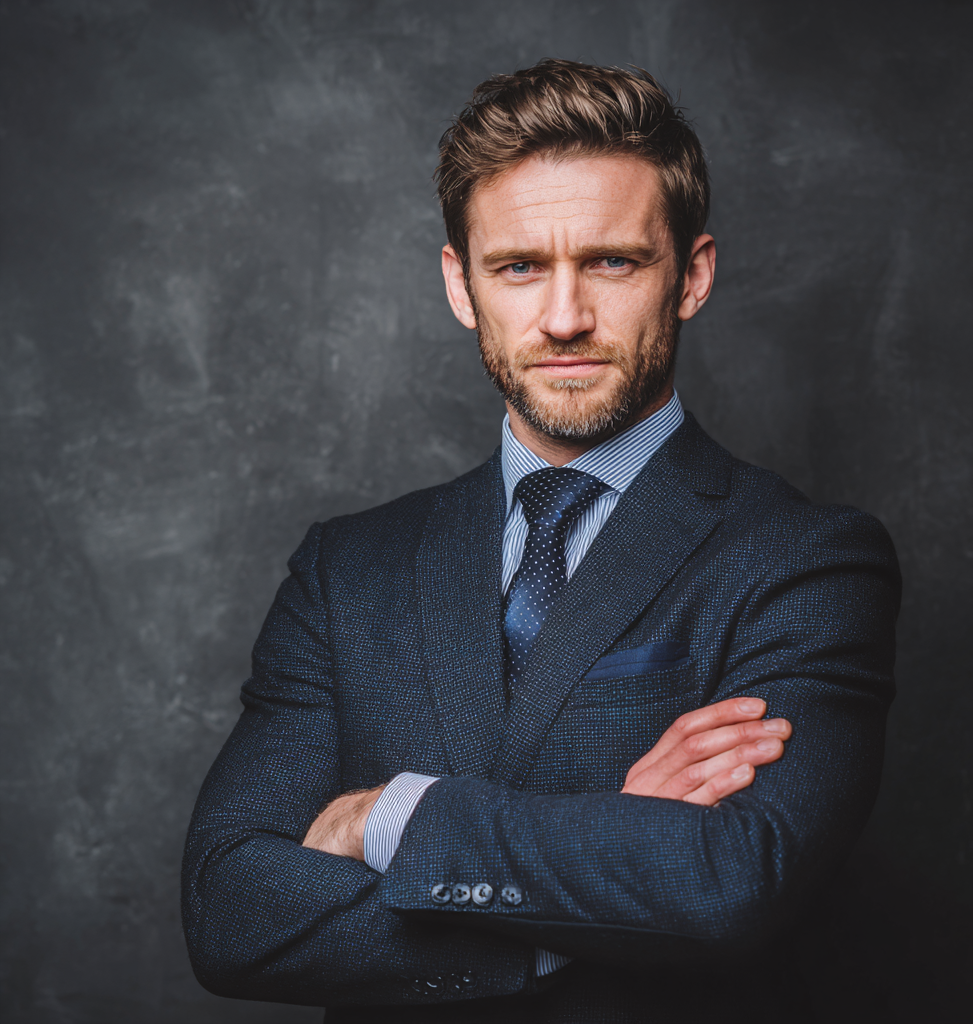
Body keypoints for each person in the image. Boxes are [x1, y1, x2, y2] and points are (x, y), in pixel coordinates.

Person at [182, 59, 899, 1023]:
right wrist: (612, 871)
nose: (565, 319)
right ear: (461, 285)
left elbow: (732, 883)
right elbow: (229, 910)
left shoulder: (805, 560)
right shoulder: (345, 571)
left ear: (691, 275)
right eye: (519, 267)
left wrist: (389, 815)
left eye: (613, 262)